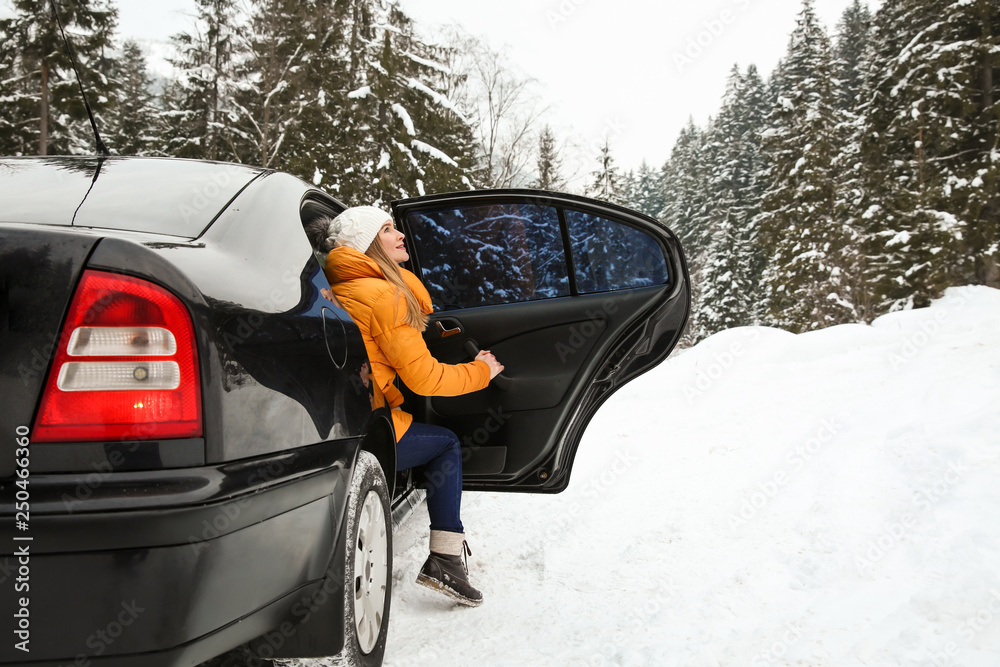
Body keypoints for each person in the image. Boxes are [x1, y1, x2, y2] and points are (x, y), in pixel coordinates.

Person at [307, 206, 504, 607]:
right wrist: (481, 370)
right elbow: (425, 378)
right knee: (445, 442)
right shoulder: (385, 296)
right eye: (386, 230)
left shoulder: (334, 289)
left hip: (337, 426)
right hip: (369, 432)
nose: (399, 235)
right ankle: (446, 560)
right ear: (365, 246)